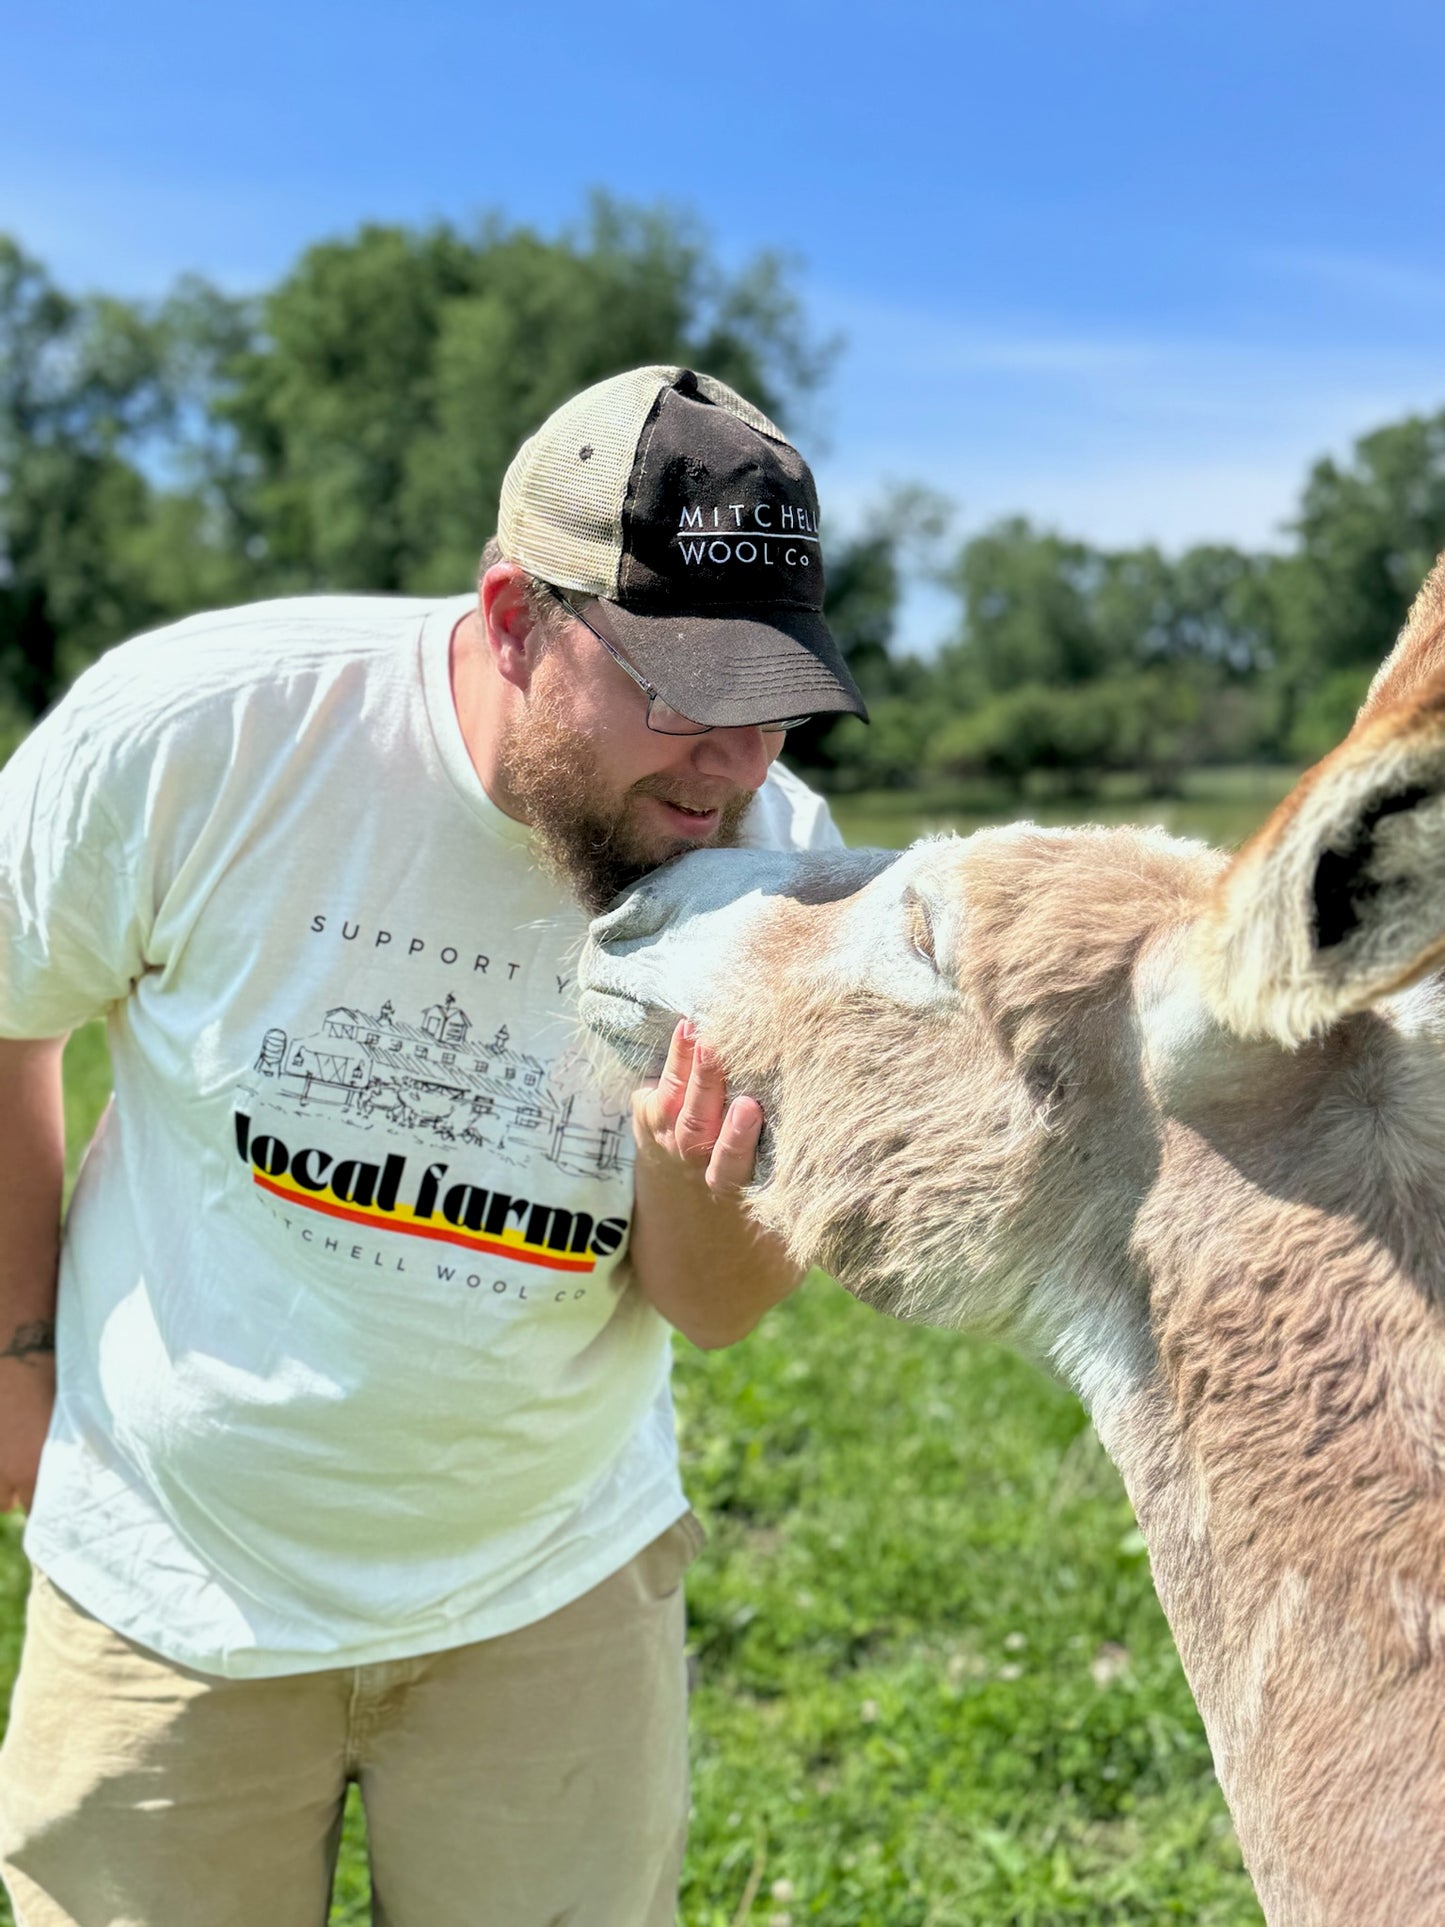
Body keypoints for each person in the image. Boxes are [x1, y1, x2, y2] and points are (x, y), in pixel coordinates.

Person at [0, 365, 867, 1926]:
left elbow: (718, 1309)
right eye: (680, 692)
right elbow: (7, 1014)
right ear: (515, 617)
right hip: (169, 1582)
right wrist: (10, 1364)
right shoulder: (205, 734)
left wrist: (682, 1141)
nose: (734, 765)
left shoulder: (773, 881)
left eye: (774, 697)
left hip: (548, 1591)